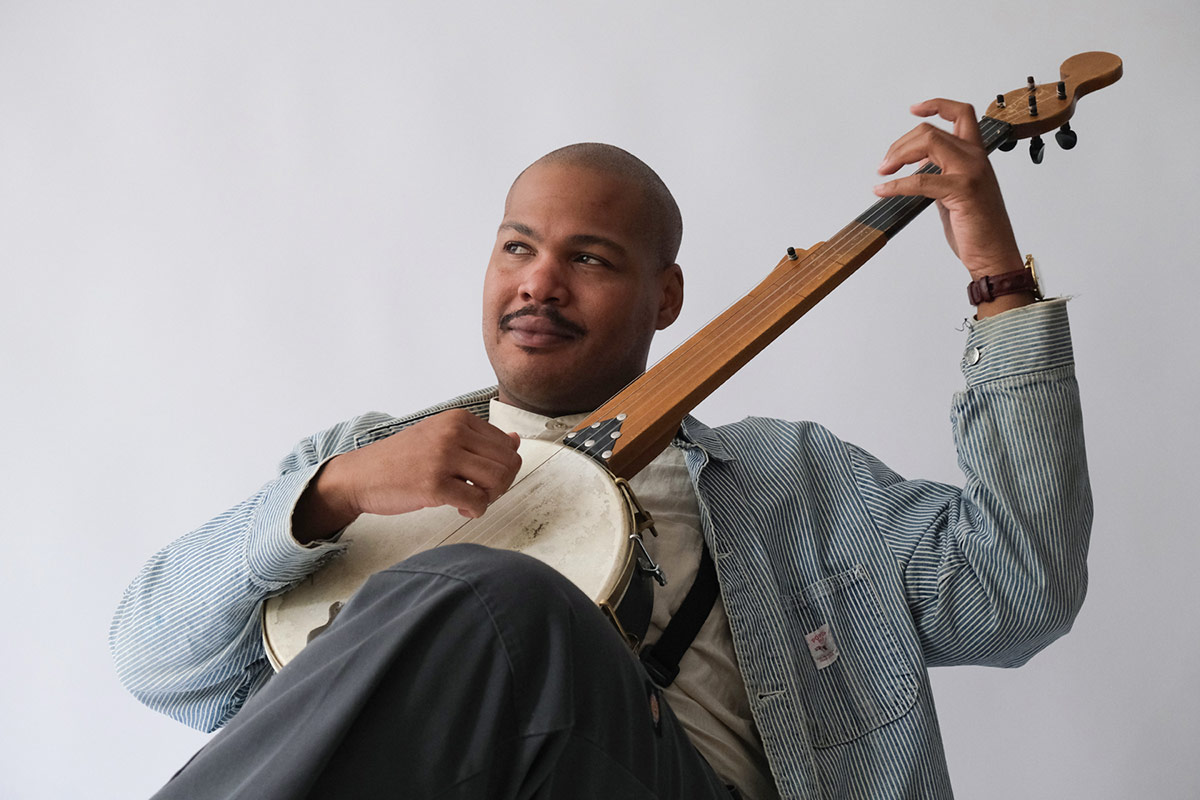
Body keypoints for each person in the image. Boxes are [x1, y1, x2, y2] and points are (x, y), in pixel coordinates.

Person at [111, 99, 1091, 799]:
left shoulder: (792, 480)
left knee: (502, 596)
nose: (540, 282)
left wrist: (995, 273)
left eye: (589, 258)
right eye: (517, 247)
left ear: (665, 296)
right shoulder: (363, 462)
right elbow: (160, 662)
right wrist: (326, 493)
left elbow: (1020, 590)